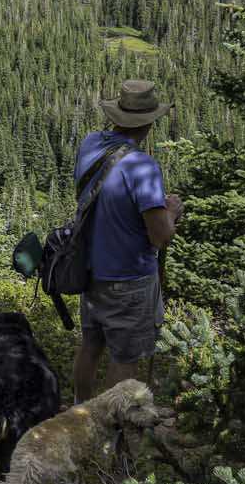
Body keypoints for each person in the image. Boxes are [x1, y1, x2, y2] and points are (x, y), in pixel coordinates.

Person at [71, 79, 182, 403]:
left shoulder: (90, 144)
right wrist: (171, 211)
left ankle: (79, 411)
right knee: (125, 358)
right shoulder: (143, 167)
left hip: (89, 271)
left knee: (91, 344)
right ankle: (110, 432)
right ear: (149, 121)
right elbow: (160, 236)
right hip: (129, 279)